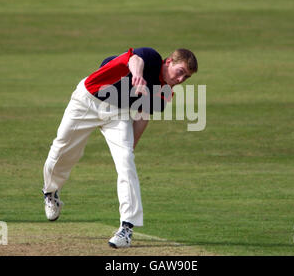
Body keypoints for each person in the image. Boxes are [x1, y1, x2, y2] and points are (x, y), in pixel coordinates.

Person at [42, 47, 198, 248]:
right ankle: (51, 192)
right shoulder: (151, 58)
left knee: (126, 164)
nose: (180, 79)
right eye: (180, 71)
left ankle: (127, 228)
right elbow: (134, 59)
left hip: (119, 113)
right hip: (88, 100)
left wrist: (129, 149)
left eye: (186, 77)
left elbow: (143, 116)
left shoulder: (165, 93)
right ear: (168, 62)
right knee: (63, 149)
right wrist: (138, 77)